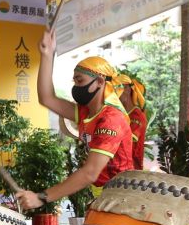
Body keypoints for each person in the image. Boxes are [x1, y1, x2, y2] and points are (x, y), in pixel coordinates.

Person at [16, 30, 133, 211]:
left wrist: (41, 197)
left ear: (100, 82)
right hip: (105, 198)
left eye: (80, 81)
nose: (76, 87)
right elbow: (47, 98)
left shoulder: (111, 119)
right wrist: (47, 55)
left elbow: (90, 173)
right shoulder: (86, 112)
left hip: (122, 201)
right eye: (74, 81)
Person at [115, 73, 148, 170]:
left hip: (131, 170)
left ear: (128, 89)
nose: (115, 96)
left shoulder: (137, 115)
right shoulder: (121, 114)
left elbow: (128, 138)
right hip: (119, 168)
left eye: (117, 90)